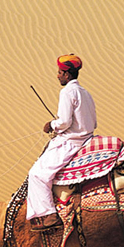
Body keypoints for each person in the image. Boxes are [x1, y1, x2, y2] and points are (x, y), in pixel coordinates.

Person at [27, 54, 97, 232]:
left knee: (37, 174)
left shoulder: (67, 92)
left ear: (67, 74)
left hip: (71, 142)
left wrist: (52, 125)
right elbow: (92, 122)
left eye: (59, 72)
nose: (57, 75)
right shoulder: (85, 93)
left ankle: (49, 215)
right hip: (86, 138)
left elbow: (64, 122)